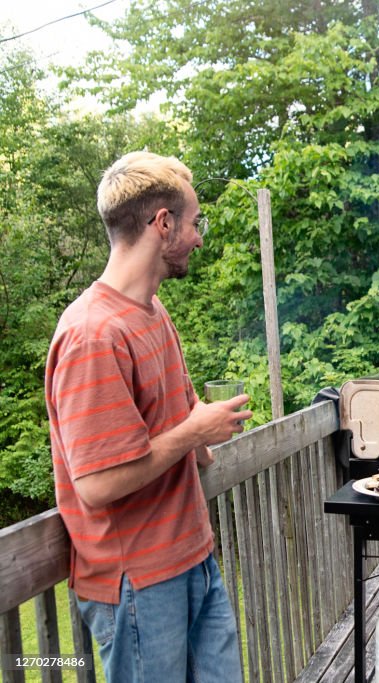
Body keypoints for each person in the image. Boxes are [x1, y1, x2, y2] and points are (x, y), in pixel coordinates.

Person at [45, 151, 253, 682]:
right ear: (163, 224)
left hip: (193, 560)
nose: (199, 237)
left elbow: (178, 425)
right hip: (137, 583)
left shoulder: (154, 313)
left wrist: (202, 433)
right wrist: (193, 431)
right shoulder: (92, 334)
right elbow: (97, 483)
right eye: (194, 222)